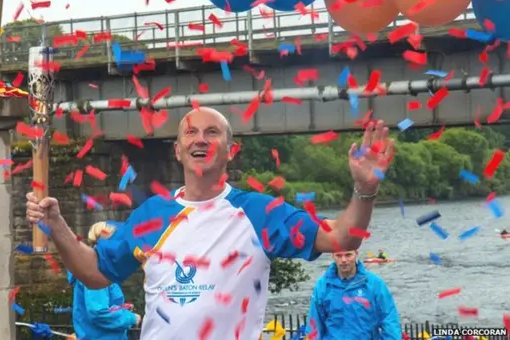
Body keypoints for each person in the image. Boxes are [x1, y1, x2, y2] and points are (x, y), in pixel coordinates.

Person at [26, 107, 395, 339]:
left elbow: (342, 237)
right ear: (177, 149)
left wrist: (364, 189)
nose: (200, 139)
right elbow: (95, 273)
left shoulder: (260, 213)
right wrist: (57, 224)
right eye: (191, 132)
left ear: (230, 150)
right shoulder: (152, 215)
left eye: (212, 132)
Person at [67, 221, 141, 340]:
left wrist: (120, 308)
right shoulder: (97, 270)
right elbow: (99, 313)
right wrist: (131, 318)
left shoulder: (100, 267)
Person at [306, 250, 401, 340]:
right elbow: (314, 324)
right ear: (333, 256)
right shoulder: (323, 286)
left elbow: (389, 321)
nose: (343, 260)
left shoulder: (375, 284)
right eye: (339, 255)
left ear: (356, 254)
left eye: (348, 255)